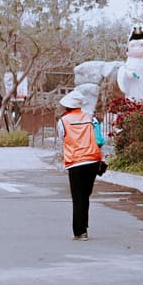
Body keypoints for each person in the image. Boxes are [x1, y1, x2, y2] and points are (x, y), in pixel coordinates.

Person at [57, 89, 103, 241]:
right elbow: (98, 138)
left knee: (78, 197)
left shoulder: (63, 121)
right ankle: (84, 226)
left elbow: (62, 138)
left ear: (66, 106)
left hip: (75, 161)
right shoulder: (90, 117)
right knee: (85, 195)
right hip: (92, 160)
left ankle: (80, 231)